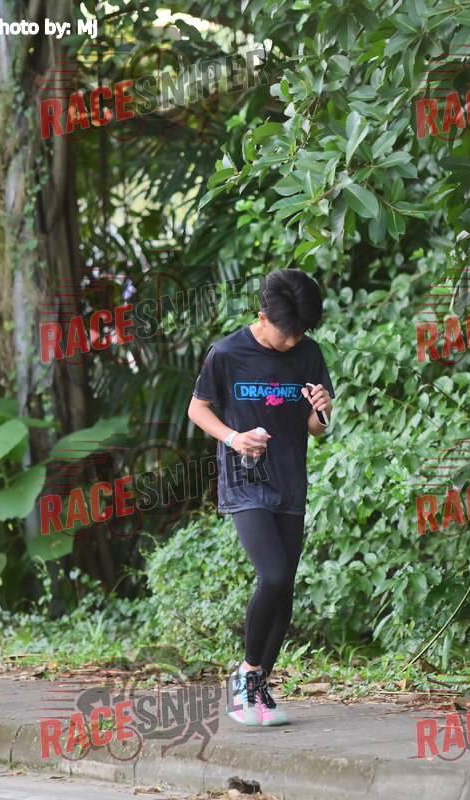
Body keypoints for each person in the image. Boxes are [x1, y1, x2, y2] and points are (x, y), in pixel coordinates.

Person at [187, 268, 335, 726]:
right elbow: (198, 408)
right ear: (262, 316)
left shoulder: (308, 353)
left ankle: (257, 686)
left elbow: (316, 429)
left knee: (285, 587)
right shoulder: (227, 353)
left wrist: (323, 411)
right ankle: (247, 674)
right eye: (287, 332)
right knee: (272, 575)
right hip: (245, 478)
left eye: (301, 332)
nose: (293, 341)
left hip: (290, 479)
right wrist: (233, 438)